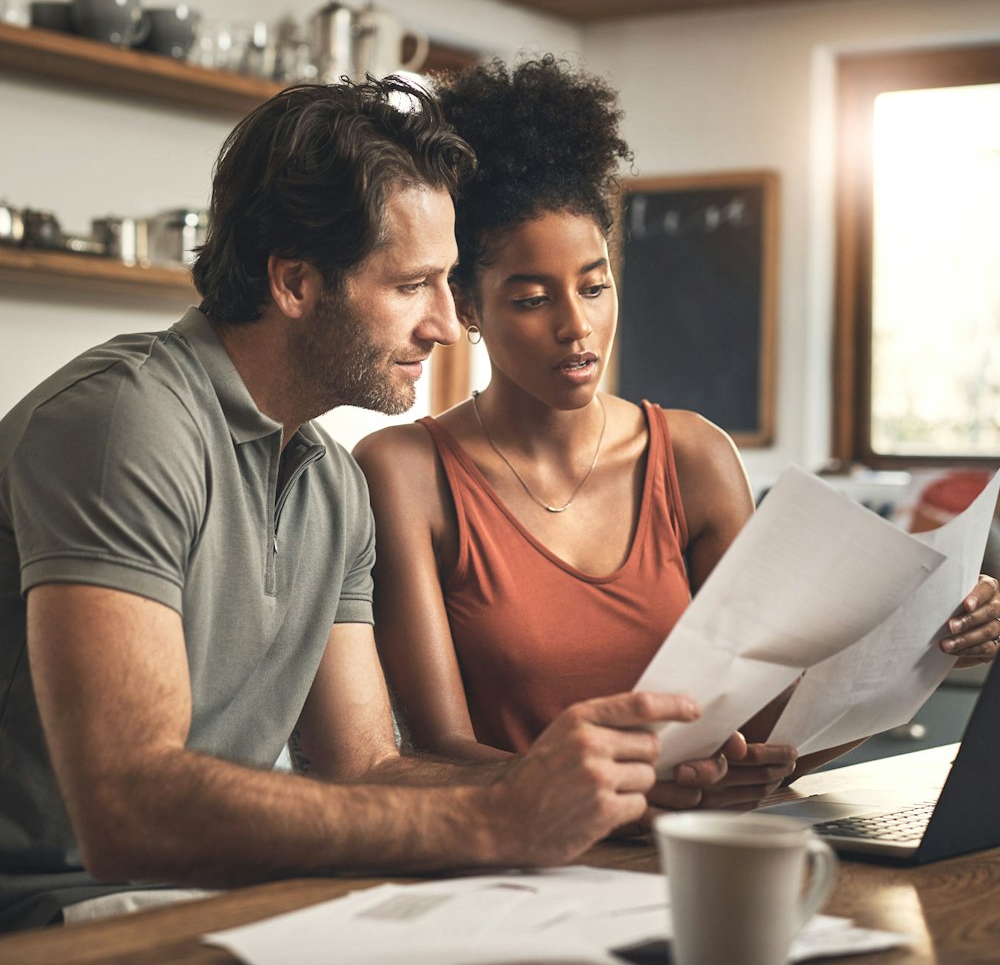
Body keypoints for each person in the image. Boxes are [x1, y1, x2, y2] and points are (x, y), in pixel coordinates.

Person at [0, 77, 732, 932]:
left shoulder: (330, 481)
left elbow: (364, 769)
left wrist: (596, 783)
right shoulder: (127, 422)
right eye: (413, 284)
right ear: (297, 282)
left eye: (449, 282)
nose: (447, 326)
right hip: (52, 915)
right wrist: (497, 818)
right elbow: (129, 808)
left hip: (208, 902)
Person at [354, 57, 1000, 811]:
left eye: (596, 286)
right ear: (465, 306)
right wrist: (626, 794)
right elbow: (437, 751)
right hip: (515, 870)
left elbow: (768, 730)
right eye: (532, 299)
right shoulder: (405, 472)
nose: (578, 327)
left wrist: (929, 641)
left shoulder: (692, 457)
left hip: (692, 858)